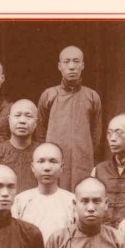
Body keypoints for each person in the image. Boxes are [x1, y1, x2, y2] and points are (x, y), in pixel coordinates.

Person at [37, 45, 103, 190]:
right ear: (59, 66)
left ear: (82, 65)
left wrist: (86, 153)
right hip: (54, 162)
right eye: (66, 62)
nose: (71, 66)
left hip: (83, 162)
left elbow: (96, 134)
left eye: (76, 61)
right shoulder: (49, 95)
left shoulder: (92, 97)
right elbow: (40, 132)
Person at [0, 99, 40, 205]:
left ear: (36, 123)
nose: (22, 121)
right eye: (17, 115)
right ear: (9, 120)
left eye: (28, 116)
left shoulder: (42, 153)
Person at [11, 142, 77, 243]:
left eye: (53, 161)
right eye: (41, 161)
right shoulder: (20, 201)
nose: (47, 168)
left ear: (62, 167)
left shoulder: (72, 201)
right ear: (32, 167)